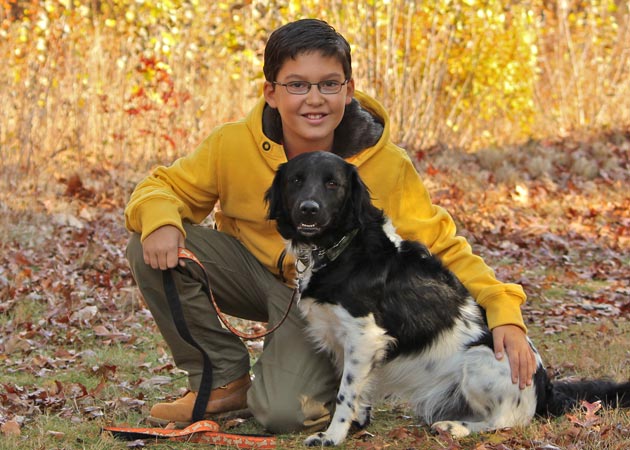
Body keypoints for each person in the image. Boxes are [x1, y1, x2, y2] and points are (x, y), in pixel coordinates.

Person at [124, 18, 537, 433]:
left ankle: (295, 379)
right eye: (297, 85)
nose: (314, 99)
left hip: (330, 303)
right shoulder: (231, 144)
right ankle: (220, 380)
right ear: (271, 92)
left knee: (282, 413)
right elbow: (162, 187)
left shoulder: (387, 164)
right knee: (152, 242)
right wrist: (160, 219)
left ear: (349, 89)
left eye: (329, 84)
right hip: (254, 275)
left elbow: (442, 248)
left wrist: (503, 310)